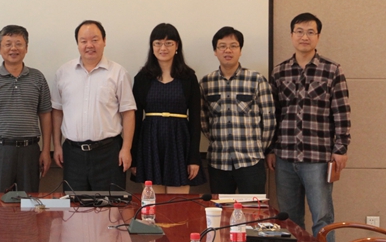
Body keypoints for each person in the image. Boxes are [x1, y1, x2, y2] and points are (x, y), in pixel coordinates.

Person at [266, 13, 350, 242]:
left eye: (310, 32)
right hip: (285, 157)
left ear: (318, 36)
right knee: (289, 218)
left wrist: (341, 148)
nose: (305, 37)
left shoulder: (332, 70)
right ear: (292, 35)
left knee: (322, 217)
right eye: (299, 31)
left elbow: (342, 112)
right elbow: (273, 115)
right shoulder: (279, 72)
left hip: (318, 158)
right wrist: (271, 149)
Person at [52, 20, 136, 191]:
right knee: (74, 205)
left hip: (109, 153)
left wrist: (126, 149)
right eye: (83, 41)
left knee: (111, 205)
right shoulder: (63, 73)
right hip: (72, 154)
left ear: (104, 41)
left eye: (95, 40)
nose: (89, 45)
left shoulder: (118, 72)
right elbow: (57, 112)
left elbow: (128, 113)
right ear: (77, 44)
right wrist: (57, 145)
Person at [0, 25, 52, 193]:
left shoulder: (38, 78)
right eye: (8, 44)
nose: (13, 48)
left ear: (26, 48)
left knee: (29, 202)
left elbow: (45, 114)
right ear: (0, 48)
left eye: (18, 44)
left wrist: (46, 150)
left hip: (30, 150)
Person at [199, 26, 276, 194]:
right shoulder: (206, 83)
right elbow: (203, 120)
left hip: (251, 161)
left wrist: (257, 148)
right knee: (222, 209)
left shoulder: (256, 80)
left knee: (253, 208)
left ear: (240, 50)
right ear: (215, 51)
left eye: (233, 46)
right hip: (218, 162)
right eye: (222, 46)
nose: (228, 50)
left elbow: (269, 120)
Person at [131, 23, 203, 193]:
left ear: (177, 46)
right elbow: (135, 121)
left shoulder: (188, 77)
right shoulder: (142, 78)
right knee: (152, 203)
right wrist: (134, 158)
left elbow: (195, 120)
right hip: (150, 143)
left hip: (179, 143)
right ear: (152, 47)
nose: (163, 48)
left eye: (168, 43)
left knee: (178, 204)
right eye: (158, 43)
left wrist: (194, 158)